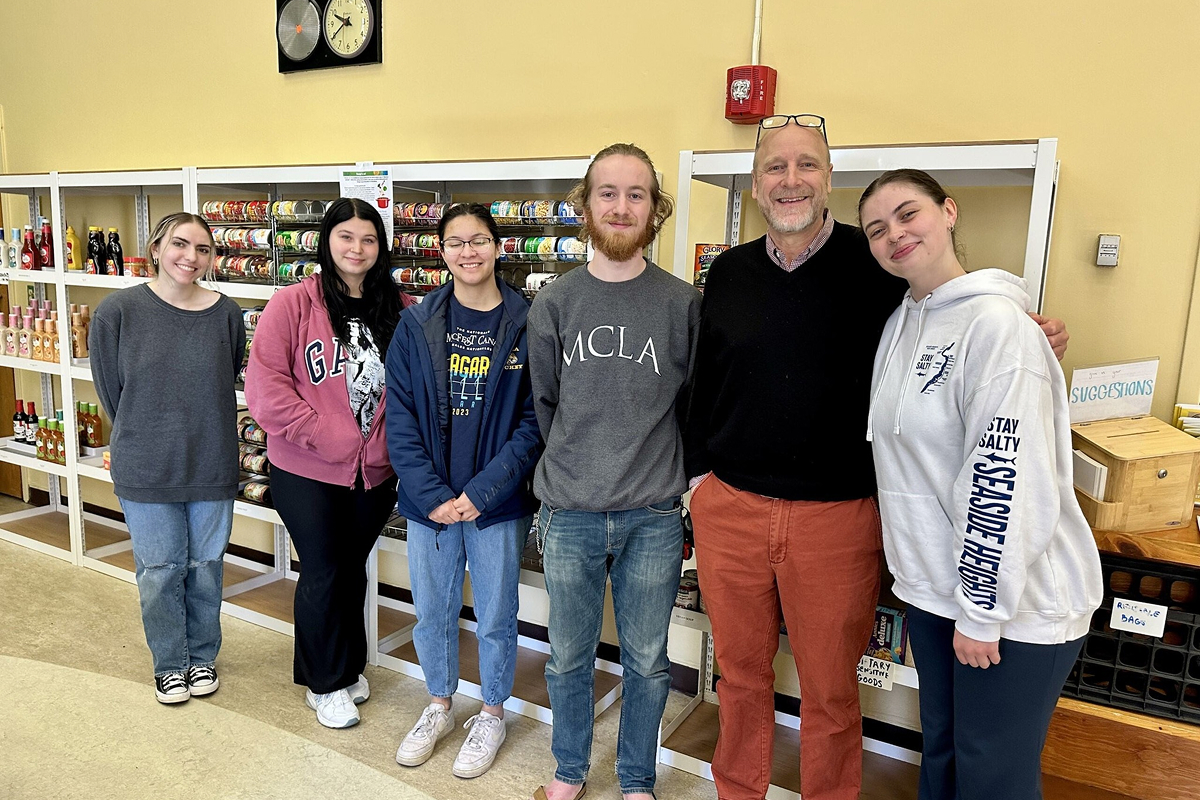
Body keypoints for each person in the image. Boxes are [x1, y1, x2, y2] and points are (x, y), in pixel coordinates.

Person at [683, 115, 1071, 800]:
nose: (791, 180)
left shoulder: (878, 262)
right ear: (757, 182)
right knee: (738, 679)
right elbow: (705, 379)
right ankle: (735, 791)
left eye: (807, 166)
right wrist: (698, 481)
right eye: (776, 167)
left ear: (829, 179)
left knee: (832, 693)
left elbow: (949, 312)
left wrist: (1029, 330)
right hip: (733, 509)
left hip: (838, 519)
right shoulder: (730, 273)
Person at [859, 168, 1102, 800]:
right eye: (877, 229)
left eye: (908, 214)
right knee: (943, 749)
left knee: (991, 770)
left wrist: (982, 611)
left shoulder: (997, 327)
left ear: (949, 211)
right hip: (937, 592)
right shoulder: (901, 324)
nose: (895, 235)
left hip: (1014, 608)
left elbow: (1004, 477)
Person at [527, 143, 701, 800]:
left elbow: (693, 404)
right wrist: (578, 463)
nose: (622, 206)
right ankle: (569, 772)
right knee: (569, 658)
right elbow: (545, 402)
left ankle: (636, 781)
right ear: (585, 205)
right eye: (608, 192)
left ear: (655, 209)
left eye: (636, 194)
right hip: (568, 512)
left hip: (652, 515)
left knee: (649, 662)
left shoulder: (682, 304)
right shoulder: (556, 301)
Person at [385, 203, 541, 778]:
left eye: (479, 240)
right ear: (442, 252)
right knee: (432, 610)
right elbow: (397, 414)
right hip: (432, 504)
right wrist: (431, 494)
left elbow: (534, 421)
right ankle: (439, 705)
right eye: (455, 242)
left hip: (495, 502)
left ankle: (493, 711)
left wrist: (482, 492)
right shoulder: (416, 323)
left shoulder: (528, 322)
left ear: (499, 247)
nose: (468, 252)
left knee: (498, 612)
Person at [246, 197, 403, 729]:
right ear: (326, 241)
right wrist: (326, 433)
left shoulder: (399, 308)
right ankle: (324, 682)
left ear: (379, 247)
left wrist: (382, 446)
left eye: (368, 239)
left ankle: (345, 665)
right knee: (322, 569)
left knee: (350, 570)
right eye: (346, 237)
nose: (357, 249)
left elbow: (409, 392)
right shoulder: (292, 303)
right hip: (305, 468)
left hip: (375, 472)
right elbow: (265, 390)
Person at [89, 212, 245, 704]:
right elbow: (112, 391)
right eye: (180, 245)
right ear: (156, 248)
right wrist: (140, 432)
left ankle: (202, 658)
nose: (191, 257)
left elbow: (228, 375)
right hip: (146, 462)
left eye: (203, 249)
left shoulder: (227, 313)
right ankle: (170, 663)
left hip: (212, 459)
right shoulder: (117, 311)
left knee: (205, 565)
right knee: (159, 569)